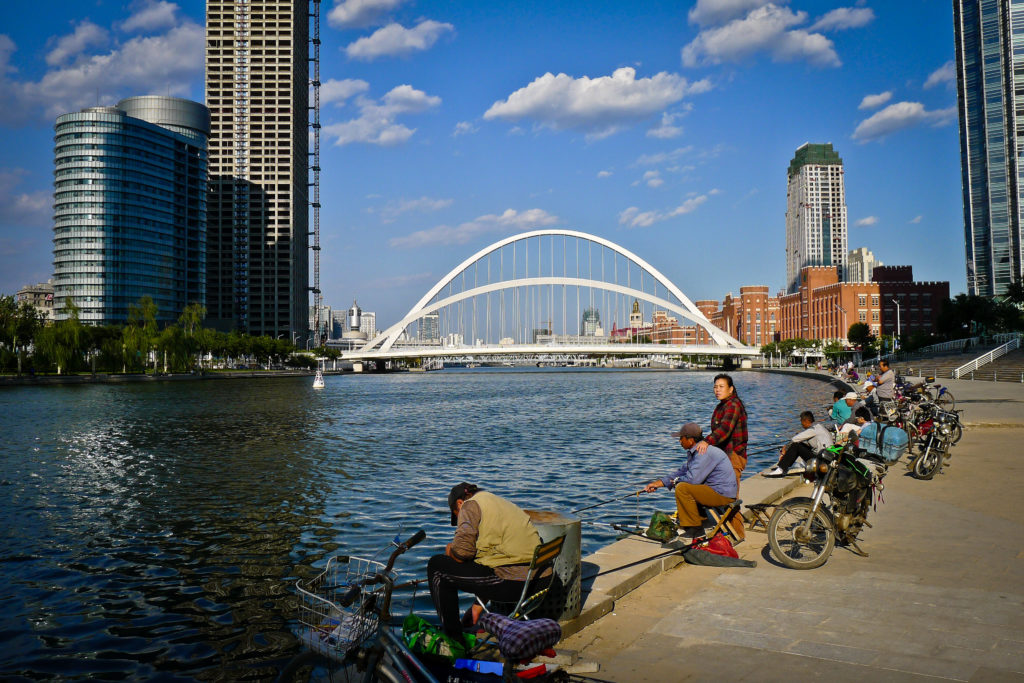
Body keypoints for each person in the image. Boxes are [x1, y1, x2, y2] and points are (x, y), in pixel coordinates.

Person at [427, 483, 547, 640]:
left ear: (459, 503)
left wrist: (450, 549)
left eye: (457, 515)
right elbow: (494, 557)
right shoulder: (495, 502)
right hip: (541, 580)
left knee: (437, 566)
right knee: (476, 563)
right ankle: (455, 633)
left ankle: (452, 639)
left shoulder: (469, 506)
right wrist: (477, 606)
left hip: (515, 583)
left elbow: (462, 553)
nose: (459, 518)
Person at [645, 422, 740, 546]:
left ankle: (695, 529)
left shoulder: (703, 453)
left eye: (681, 438)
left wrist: (675, 481)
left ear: (690, 440)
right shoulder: (695, 452)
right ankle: (699, 521)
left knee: (683, 488)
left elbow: (692, 480)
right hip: (715, 491)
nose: (679, 441)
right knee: (684, 484)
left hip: (723, 494)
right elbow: (682, 471)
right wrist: (659, 483)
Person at [694, 373, 748, 487]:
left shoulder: (733, 404)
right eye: (715, 387)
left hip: (733, 455)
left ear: (731, 389)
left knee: (730, 495)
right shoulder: (721, 406)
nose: (717, 390)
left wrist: (706, 442)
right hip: (722, 455)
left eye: (721, 386)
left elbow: (725, 429)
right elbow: (717, 432)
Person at [765, 410, 835, 477]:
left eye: (801, 421)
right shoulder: (819, 426)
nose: (801, 424)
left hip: (822, 461)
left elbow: (794, 439)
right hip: (826, 458)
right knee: (800, 444)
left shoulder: (812, 430)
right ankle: (784, 465)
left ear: (806, 421)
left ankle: (781, 469)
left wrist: (785, 448)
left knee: (796, 445)